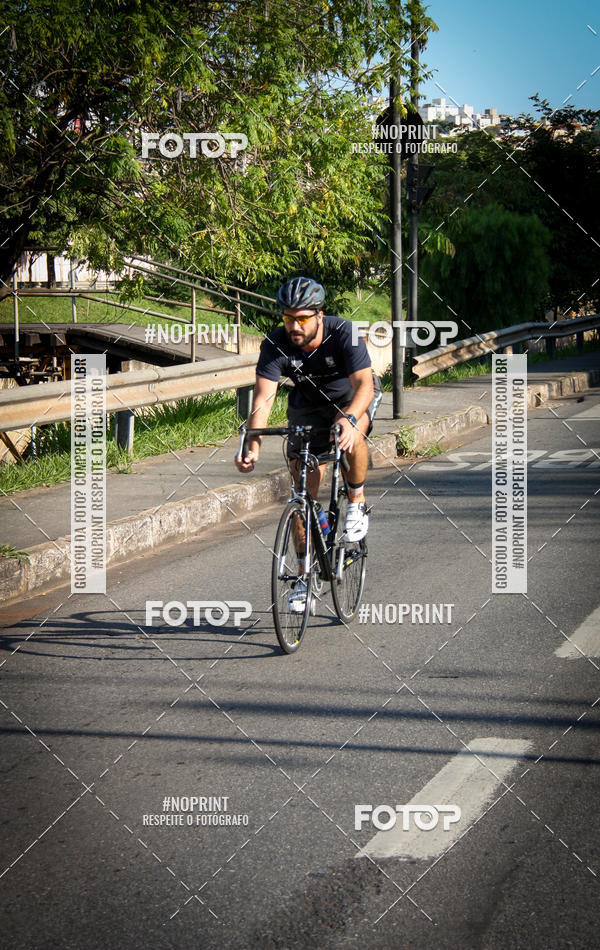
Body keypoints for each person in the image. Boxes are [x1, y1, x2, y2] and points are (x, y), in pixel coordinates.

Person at [235, 276, 382, 553]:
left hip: (351, 398)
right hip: (308, 405)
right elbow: (263, 400)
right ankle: (304, 570)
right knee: (301, 491)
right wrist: (252, 446)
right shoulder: (275, 344)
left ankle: (356, 499)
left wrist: (350, 418)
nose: (294, 326)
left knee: (351, 435)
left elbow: (364, 385)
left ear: (319, 315)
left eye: (302, 319)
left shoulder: (345, 332)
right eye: (288, 318)